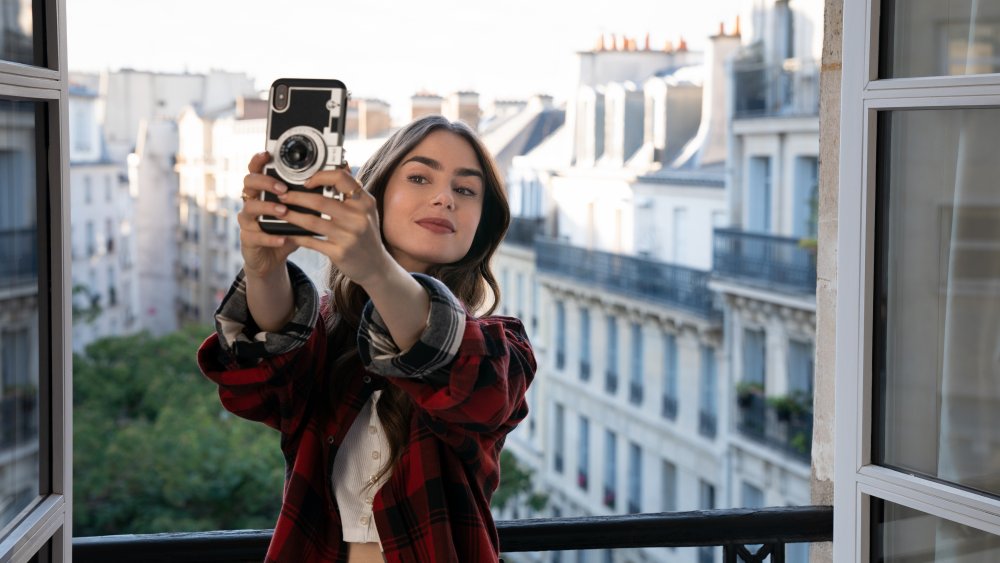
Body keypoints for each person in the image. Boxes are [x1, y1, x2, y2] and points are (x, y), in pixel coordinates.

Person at [197, 115, 536, 563]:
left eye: (466, 190)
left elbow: (472, 382)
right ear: (376, 196)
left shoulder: (501, 346)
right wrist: (264, 267)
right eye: (419, 177)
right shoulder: (327, 332)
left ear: (482, 225)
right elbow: (260, 379)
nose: (443, 198)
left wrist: (375, 265)